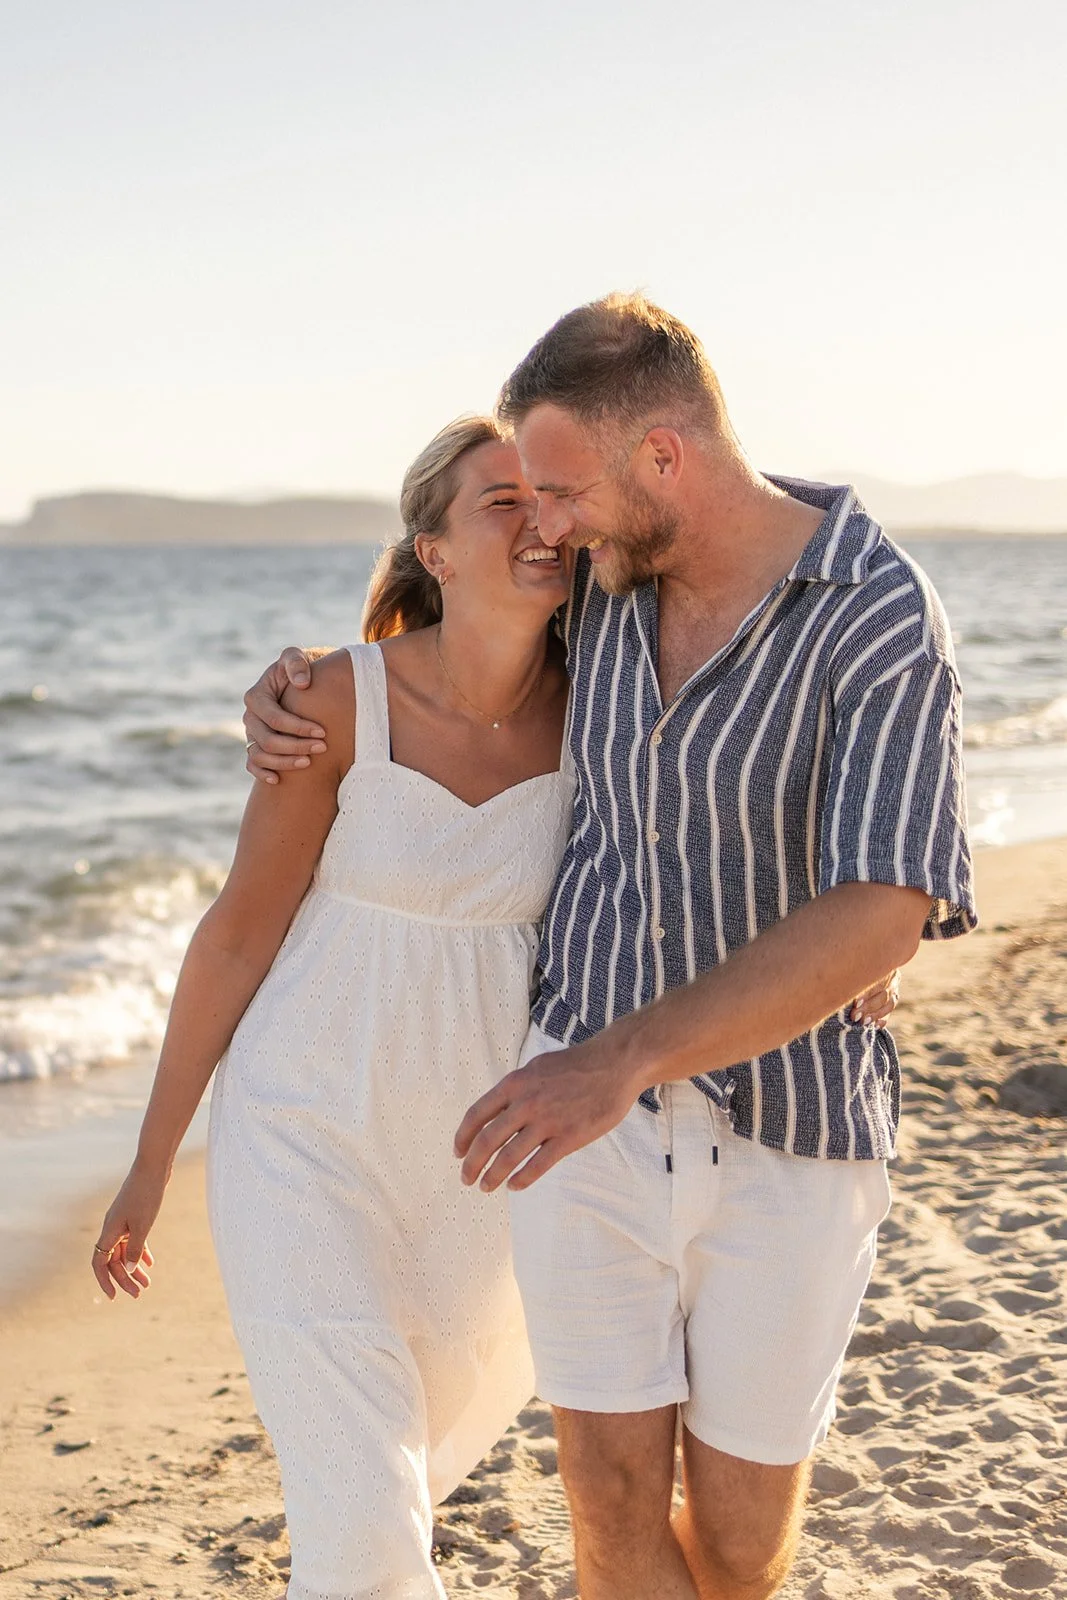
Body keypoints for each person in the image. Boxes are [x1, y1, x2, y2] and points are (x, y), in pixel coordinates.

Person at [247, 296, 972, 1600]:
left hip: (791, 1127)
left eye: (565, 489)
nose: (550, 525)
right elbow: (454, 645)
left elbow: (884, 902)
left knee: (742, 1550)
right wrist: (306, 682)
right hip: (583, 1142)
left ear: (663, 458)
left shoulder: (873, 611)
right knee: (609, 1509)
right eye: (530, 497)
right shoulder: (602, 581)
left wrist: (621, 1058)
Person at [91, 415, 577, 1600]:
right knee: (362, 1507)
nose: (536, 522)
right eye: (497, 501)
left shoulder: (602, 710)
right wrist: (151, 1163)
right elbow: (237, 934)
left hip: (473, 1166)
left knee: (397, 1472)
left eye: (547, 498)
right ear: (434, 549)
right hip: (302, 1132)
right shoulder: (334, 704)